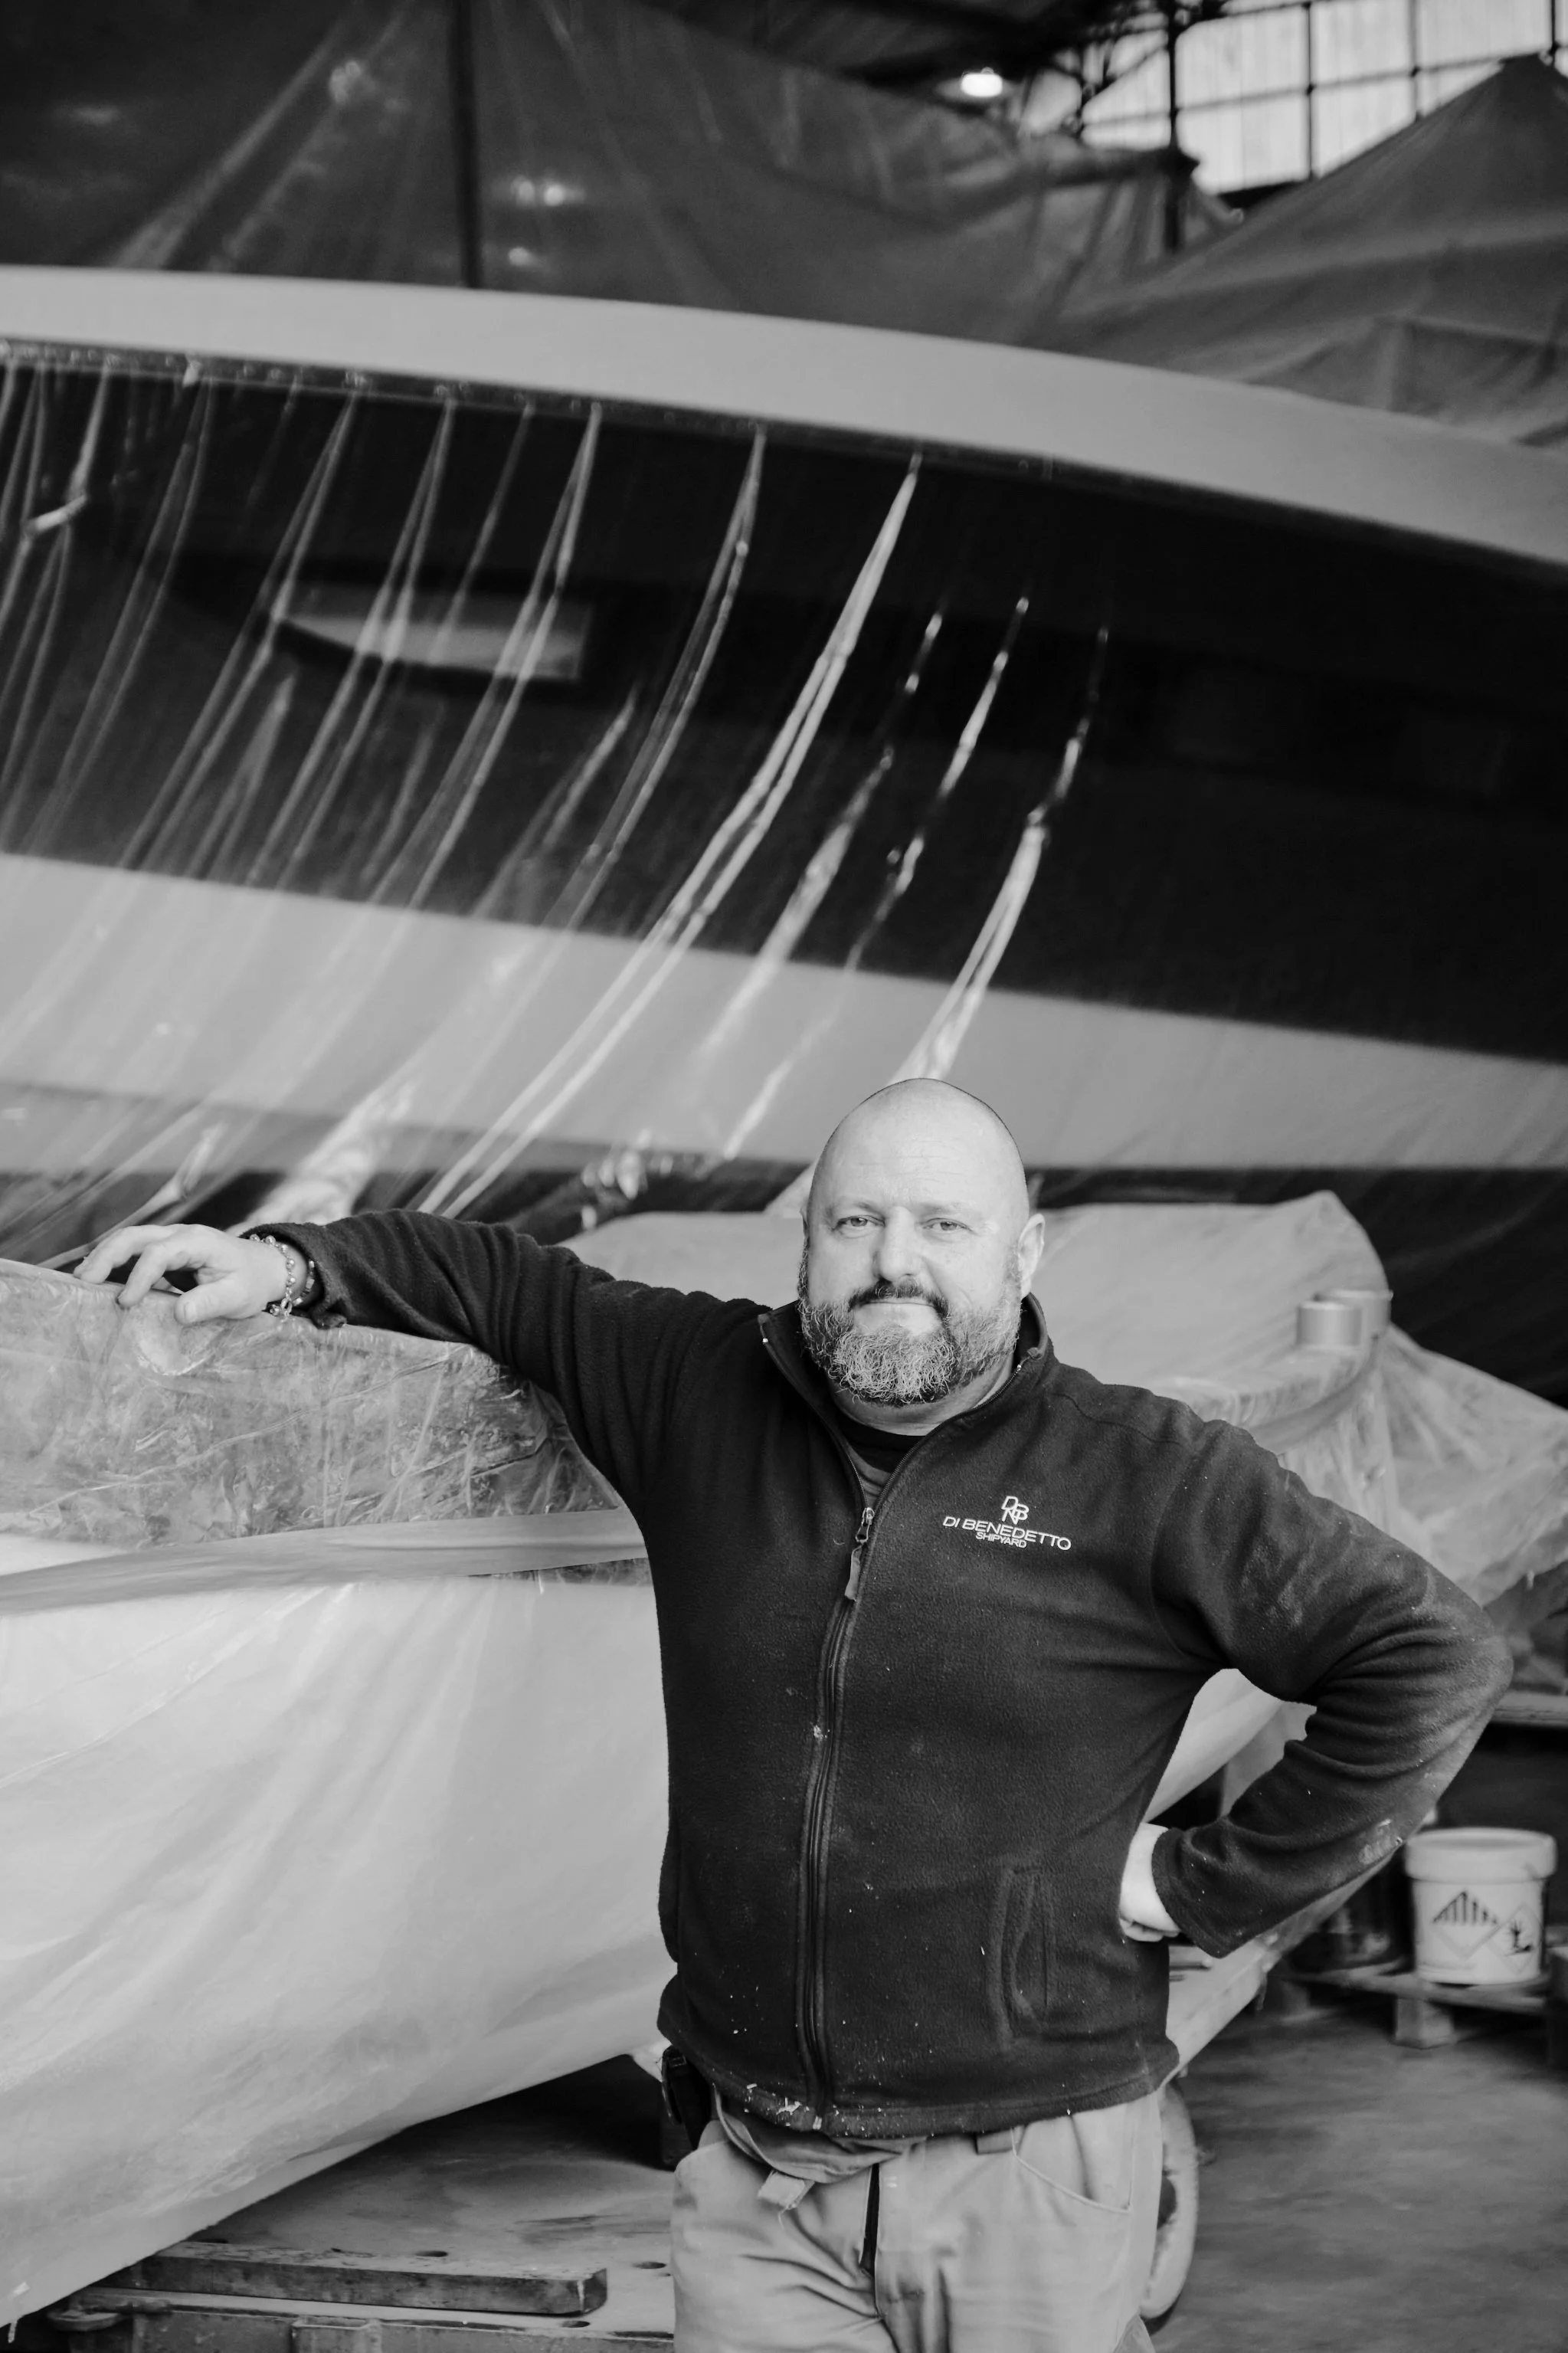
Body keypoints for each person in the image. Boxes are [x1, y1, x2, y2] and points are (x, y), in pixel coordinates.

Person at [77, 1080, 1510, 2353]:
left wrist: (1202, 1886)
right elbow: (503, 1280)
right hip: (755, 2171)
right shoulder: (697, 1387)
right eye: (855, 1221)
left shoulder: (1146, 1471)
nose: (895, 1261)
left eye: (943, 1225)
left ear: (1022, 1255)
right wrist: (287, 1266)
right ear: (807, 1240)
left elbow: (1431, 1654)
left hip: (1021, 2169)